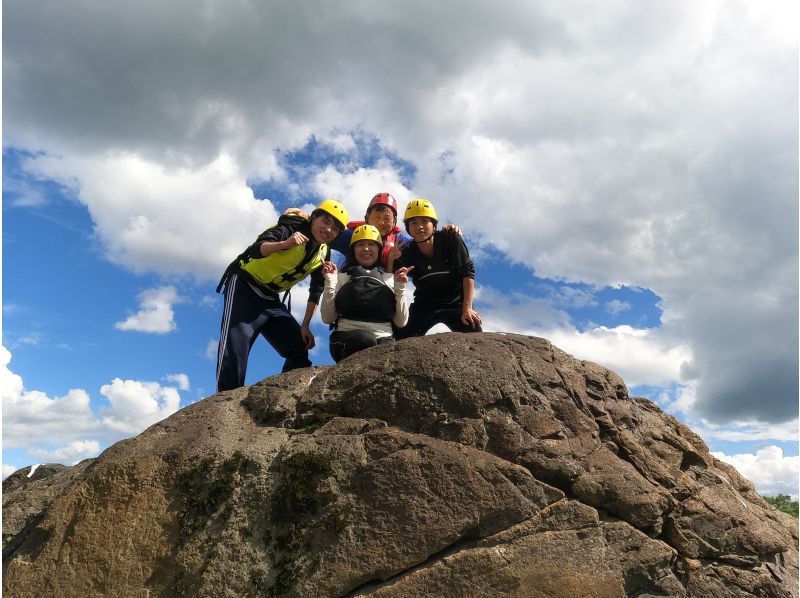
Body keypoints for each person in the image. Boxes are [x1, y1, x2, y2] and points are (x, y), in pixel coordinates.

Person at [214, 199, 348, 391]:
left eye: (335, 228)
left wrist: (305, 325)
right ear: (314, 218)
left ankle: (286, 395)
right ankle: (224, 402)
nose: (328, 230)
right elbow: (258, 248)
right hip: (245, 285)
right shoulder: (291, 227)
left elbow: (316, 289)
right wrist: (285, 243)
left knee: (298, 346)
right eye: (325, 222)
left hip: (271, 298)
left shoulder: (323, 252)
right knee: (236, 345)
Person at [287, 192, 460, 269]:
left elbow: (424, 243)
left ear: (394, 224)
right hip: (353, 284)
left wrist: (447, 233)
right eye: (376, 218)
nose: (381, 223)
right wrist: (306, 219)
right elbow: (324, 232)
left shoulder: (400, 242)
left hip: (384, 290)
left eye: (387, 219)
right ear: (366, 218)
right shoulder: (351, 236)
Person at [320, 224, 411, 362]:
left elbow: (401, 322)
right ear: (353, 249)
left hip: (383, 338)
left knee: (389, 355)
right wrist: (330, 281)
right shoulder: (342, 276)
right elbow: (328, 318)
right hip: (345, 338)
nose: (366, 248)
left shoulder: (389, 278)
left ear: (379, 250)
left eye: (371, 244)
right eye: (360, 244)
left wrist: (400, 287)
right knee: (366, 340)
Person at [392, 198, 482, 338]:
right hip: (425, 306)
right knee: (401, 337)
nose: (419, 226)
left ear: (434, 225)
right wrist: (392, 260)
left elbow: (467, 273)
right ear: (408, 228)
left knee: (475, 333)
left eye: (424, 221)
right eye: (413, 222)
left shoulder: (450, 239)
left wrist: (468, 308)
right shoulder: (406, 252)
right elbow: (391, 279)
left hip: (456, 304)